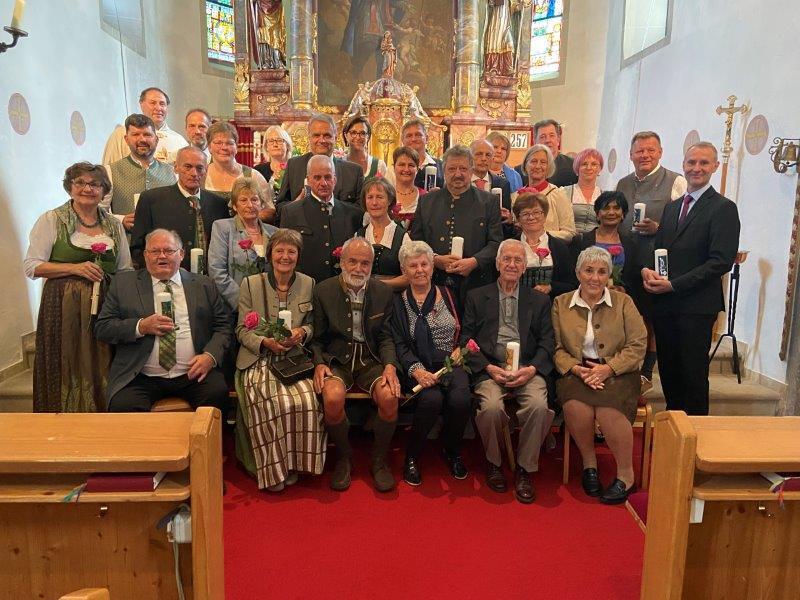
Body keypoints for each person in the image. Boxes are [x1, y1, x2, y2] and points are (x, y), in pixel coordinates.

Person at [24, 162, 132, 412]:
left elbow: (124, 269)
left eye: (95, 184)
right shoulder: (52, 219)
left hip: (105, 304)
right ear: (69, 187)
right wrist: (74, 268)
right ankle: (64, 416)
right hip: (63, 306)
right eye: (80, 182)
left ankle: (103, 414)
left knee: (101, 358)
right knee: (68, 358)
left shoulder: (113, 225)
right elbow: (32, 267)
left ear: (104, 191)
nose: (87, 189)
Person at [641, 142, 740, 416]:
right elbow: (660, 249)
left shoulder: (723, 208)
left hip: (696, 307)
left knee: (693, 376)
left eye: (704, 163)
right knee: (669, 373)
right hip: (665, 305)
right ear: (683, 165)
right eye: (691, 162)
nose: (697, 168)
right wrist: (647, 270)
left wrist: (674, 285)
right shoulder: (672, 208)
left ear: (715, 166)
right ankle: (674, 431)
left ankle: (696, 432)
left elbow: (720, 261)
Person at [95, 228, 232, 413]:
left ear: (181, 254)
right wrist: (141, 326)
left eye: (168, 250)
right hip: (141, 375)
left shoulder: (203, 284)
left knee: (217, 395)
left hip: (193, 374)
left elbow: (223, 326)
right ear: (145, 255)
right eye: (154, 251)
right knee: (124, 406)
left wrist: (210, 356)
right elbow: (103, 327)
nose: (161, 256)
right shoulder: (123, 284)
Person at [462, 239, 554, 504]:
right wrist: (488, 367)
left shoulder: (539, 301)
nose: (512, 264)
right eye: (507, 259)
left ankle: (525, 469)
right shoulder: (477, 296)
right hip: (491, 368)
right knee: (491, 408)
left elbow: (548, 342)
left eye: (517, 260)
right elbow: (466, 340)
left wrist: (531, 369)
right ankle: (494, 462)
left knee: (538, 405)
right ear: (497, 263)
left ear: (525, 267)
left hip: (527, 368)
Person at [552, 246, 646, 504]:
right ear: (578, 273)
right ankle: (589, 465)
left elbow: (638, 344)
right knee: (576, 406)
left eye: (602, 272)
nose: (595, 277)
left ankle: (626, 475)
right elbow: (557, 348)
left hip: (619, 372)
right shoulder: (561, 303)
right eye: (589, 270)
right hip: (578, 372)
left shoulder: (624, 302)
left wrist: (609, 368)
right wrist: (575, 368)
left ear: (609, 276)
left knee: (607, 409)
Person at [235, 228, 325, 492]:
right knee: (272, 401)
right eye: (279, 251)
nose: (285, 256)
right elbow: (241, 330)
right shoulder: (250, 284)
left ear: (298, 256)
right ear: (270, 254)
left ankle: (294, 465)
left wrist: (302, 333)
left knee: (306, 400)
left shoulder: (309, 283)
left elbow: (314, 325)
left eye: (291, 251)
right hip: (259, 358)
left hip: (294, 360)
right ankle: (273, 470)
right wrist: (265, 342)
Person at [311, 237, 401, 492]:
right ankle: (344, 457)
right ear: (341, 262)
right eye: (352, 261)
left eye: (365, 263)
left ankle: (379, 460)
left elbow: (385, 337)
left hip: (371, 359)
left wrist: (390, 365)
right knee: (332, 398)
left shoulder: (383, 292)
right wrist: (319, 363)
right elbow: (316, 338)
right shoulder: (323, 290)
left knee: (390, 397)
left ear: (371, 266)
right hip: (337, 358)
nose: (358, 268)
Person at [389, 241, 471, 485]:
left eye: (424, 264)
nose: (419, 270)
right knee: (431, 400)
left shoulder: (450, 294)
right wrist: (417, 371)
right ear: (404, 270)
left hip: (450, 361)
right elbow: (400, 345)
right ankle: (412, 456)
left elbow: (467, 327)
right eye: (413, 266)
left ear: (432, 267)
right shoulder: (397, 302)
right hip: (418, 365)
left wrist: (461, 349)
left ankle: (451, 450)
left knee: (460, 398)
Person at [616, 131, 688, 385]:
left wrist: (659, 227)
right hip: (626, 259)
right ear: (631, 155)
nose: (645, 155)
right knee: (627, 315)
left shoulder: (675, 181)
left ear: (660, 152)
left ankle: (647, 369)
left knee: (651, 316)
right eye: (639, 151)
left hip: (656, 261)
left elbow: (686, 224)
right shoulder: (623, 183)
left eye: (650, 150)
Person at [410, 145, 502, 308]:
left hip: (476, 286)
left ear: (471, 171)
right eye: (452, 169)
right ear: (444, 171)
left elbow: (496, 243)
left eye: (463, 169)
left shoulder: (489, 202)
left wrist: (474, 262)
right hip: (434, 285)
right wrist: (435, 259)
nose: (458, 174)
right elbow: (416, 242)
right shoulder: (427, 201)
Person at [130, 146, 230, 272]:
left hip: (208, 279)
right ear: (176, 167)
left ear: (206, 170)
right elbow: (138, 247)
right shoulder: (151, 200)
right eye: (188, 167)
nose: (194, 173)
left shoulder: (218, 204)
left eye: (199, 168)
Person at [280, 154, 364, 284]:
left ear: (335, 180)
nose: (323, 183)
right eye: (317, 178)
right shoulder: (291, 212)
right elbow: (284, 254)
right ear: (308, 180)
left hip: (342, 287)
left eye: (328, 177)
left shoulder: (353, 214)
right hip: (305, 286)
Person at [208, 177, 278, 312]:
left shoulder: (274, 233)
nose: (250, 205)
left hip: (269, 307)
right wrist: (245, 304)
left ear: (261, 204)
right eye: (243, 200)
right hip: (232, 309)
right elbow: (216, 271)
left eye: (254, 199)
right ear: (234, 205)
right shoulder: (222, 228)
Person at [102, 114, 176, 232]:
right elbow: (97, 212)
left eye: (147, 134)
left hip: (165, 241)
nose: (142, 140)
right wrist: (120, 220)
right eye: (135, 134)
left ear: (156, 140)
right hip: (127, 241)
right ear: (126, 139)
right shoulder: (110, 171)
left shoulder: (172, 172)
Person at [276, 113, 364, 206]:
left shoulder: (354, 172)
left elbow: (361, 209)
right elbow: (280, 207)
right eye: (316, 135)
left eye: (327, 135)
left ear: (335, 138)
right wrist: (296, 205)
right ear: (309, 138)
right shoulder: (294, 166)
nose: (322, 140)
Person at [204, 121, 275, 223]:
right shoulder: (201, 175)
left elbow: (269, 210)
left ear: (236, 147)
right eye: (218, 143)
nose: (224, 147)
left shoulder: (253, 175)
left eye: (229, 143)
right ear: (209, 147)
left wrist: (245, 221)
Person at [573, 191, 639, 296]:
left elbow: (633, 280)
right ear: (597, 214)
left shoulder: (630, 245)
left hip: (619, 300)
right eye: (606, 208)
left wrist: (622, 289)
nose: (611, 212)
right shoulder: (581, 241)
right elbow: (572, 277)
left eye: (616, 208)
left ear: (623, 214)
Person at [512, 193, 577, 300]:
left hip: (550, 304)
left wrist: (551, 287)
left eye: (536, 212)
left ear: (545, 216)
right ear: (518, 219)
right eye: (525, 213)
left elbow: (572, 284)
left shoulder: (559, 247)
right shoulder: (509, 246)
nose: (531, 217)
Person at [102, 87, 187, 165]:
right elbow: (109, 169)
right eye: (153, 103)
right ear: (141, 104)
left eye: (162, 104)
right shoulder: (121, 134)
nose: (158, 108)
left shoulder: (179, 141)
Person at [356, 177, 411, 289]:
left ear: (389, 200)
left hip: (393, 296)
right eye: (370, 197)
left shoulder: (402, 237)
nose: (374, 203)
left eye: (380, 197)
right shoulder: (359, 235)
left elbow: (409, 277)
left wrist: (377, 285)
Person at [518, 144, 576, 242]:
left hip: (551, 249)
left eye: (543, 162)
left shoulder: (558, 195)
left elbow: (570, 232)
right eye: (533, 161)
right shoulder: (516, 196)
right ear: (525, 165)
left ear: (549, 167)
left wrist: (541, 234)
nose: (538, 166)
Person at [516, 119, 577, 187]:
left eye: (551, 135)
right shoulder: (519, 173)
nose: (547, 140)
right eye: (542, 137)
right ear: (535, 141)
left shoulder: (573, 167)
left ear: (558, 139)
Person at [386, 118, 444, 190]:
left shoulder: (441, 166)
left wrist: (440, 194)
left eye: (418, 135)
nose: (413, 139)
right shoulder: (392, 170)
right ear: (402, 140)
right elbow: (387, 194)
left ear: (426, 138)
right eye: (409, 136)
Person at [471, 138, 513, 235]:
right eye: (479, 154)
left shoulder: (503, 184)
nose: (484, 159)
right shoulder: (462, 183)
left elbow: (505, 221)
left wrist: (509, 221)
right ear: (469, 157)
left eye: (488, 155)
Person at [561, 148, 604, 235]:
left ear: (599, 169)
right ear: (577, 169)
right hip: (568, 240)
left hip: (595, 241)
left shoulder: (604, 196)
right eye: (584, 164)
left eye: (594, 164)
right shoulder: (563, 192)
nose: (589, 168)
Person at [390, 145, 427, 230]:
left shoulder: (425, 197)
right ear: (394, 167)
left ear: (417, 169)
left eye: (411, 165)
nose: (406, 169)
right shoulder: (386, 195)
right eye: (401, 165)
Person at [253, 124, 293, 194]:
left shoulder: (295, 168)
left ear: (287, 145)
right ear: (266, 147)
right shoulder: (258, 171)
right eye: (271, 141)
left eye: (279, 140)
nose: (275, 144)